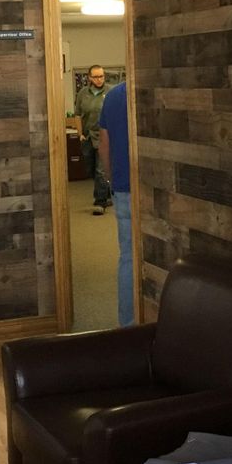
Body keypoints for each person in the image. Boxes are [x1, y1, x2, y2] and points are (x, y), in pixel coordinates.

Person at [99, 81, 133, 327]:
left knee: (128, 257)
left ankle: (128, 325)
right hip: (151, 188)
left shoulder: (112, 97)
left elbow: (104, 143)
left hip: (123, 187)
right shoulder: (149, 92)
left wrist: (111, 177)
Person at [74, 65, 112, 215]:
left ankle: (100, 202)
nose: (99, 79)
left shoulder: (110, 92)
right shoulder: (83, 93)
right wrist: (79, 133)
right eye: (96, 77)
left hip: (104, 136)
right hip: (88, 136)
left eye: (102, 76)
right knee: (90, 169)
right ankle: (107, 193)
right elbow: (77, 114)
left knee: (101, 170)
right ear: (89, 77)